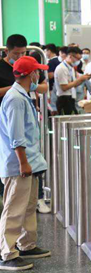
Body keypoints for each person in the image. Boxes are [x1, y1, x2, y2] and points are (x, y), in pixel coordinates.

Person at [0, 56, 51, 270]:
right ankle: (6, 253)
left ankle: (26, 244)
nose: (39, 75)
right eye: (37, 71)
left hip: (29, 161)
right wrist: (23, 163)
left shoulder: (23, 95)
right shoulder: (15, 99)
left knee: (28, 207)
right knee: (14, 208)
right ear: (31, 74)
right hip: (18, 164)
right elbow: (16, 136)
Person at [54, 47, 91, 115]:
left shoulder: (71, 68)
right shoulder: (61, 68)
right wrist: (79, 79)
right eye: (78, 59)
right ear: (70, 56)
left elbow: (73, 84)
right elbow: (64, 87)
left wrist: (83, 79)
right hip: (64, 99)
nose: (79, 61)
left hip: (71, 98)